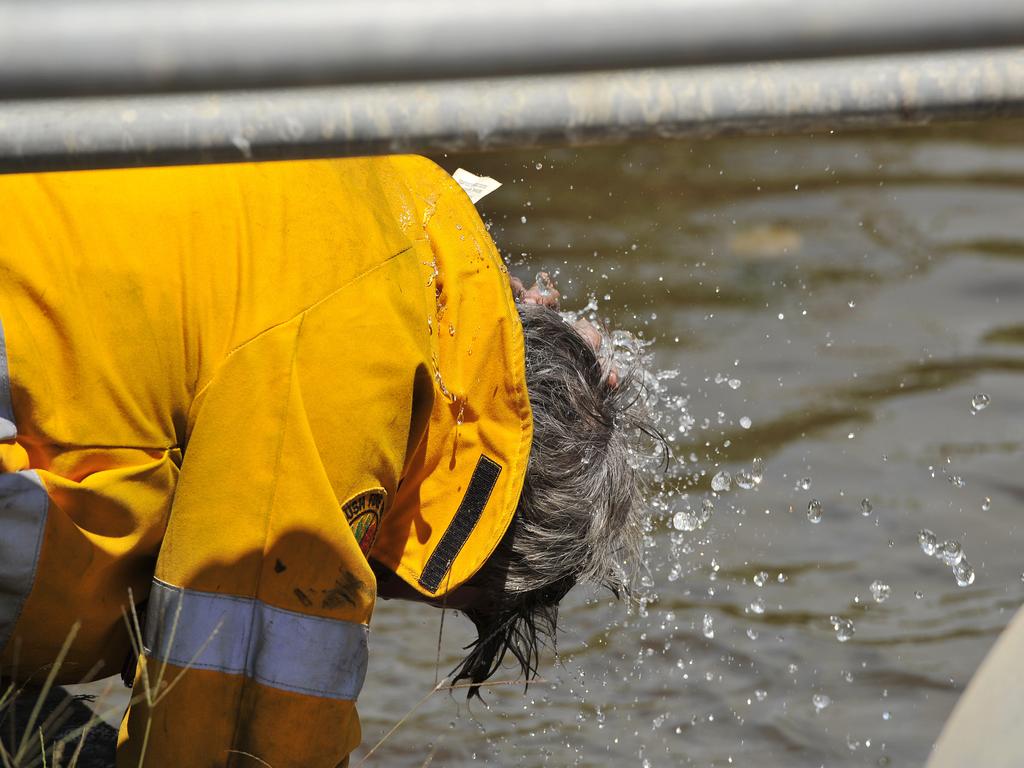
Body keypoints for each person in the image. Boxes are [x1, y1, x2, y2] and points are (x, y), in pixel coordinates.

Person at [0, 155, 653, 766]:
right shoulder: (358, 373)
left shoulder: (401, 239)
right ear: (486, 534)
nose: (387, 591)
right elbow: (236, 733)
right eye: (440, 594)